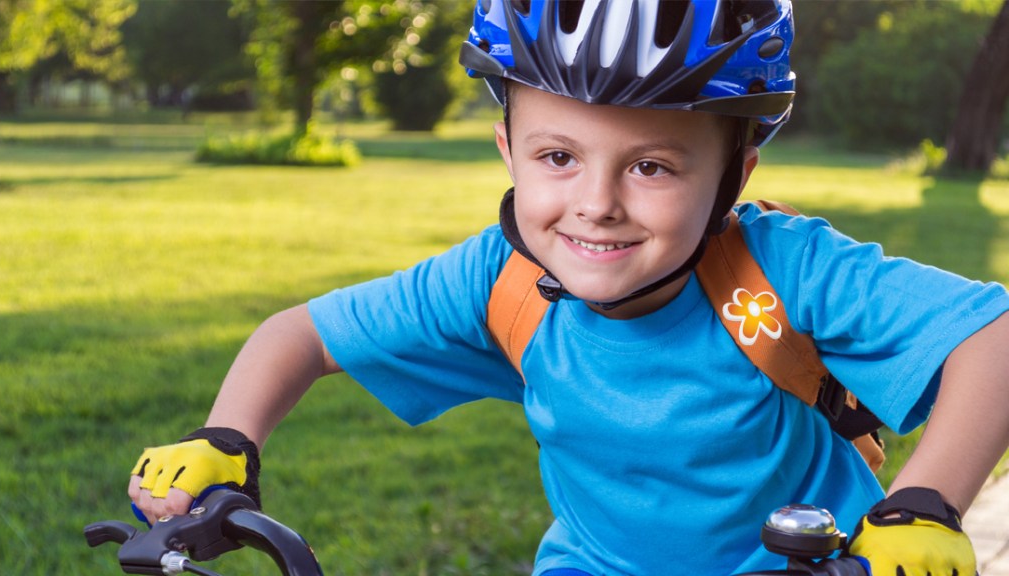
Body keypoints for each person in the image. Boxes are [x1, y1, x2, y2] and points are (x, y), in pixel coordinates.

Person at [128, 1, 1009, 574]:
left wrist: (923, 509)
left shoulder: (781, 271)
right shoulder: (498, 280)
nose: (595, 207)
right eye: (558, 156)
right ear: (508, 150)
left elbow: (994, 337)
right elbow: (302, 335)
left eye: (654, 166)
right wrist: (226, 440)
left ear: (733, 175)